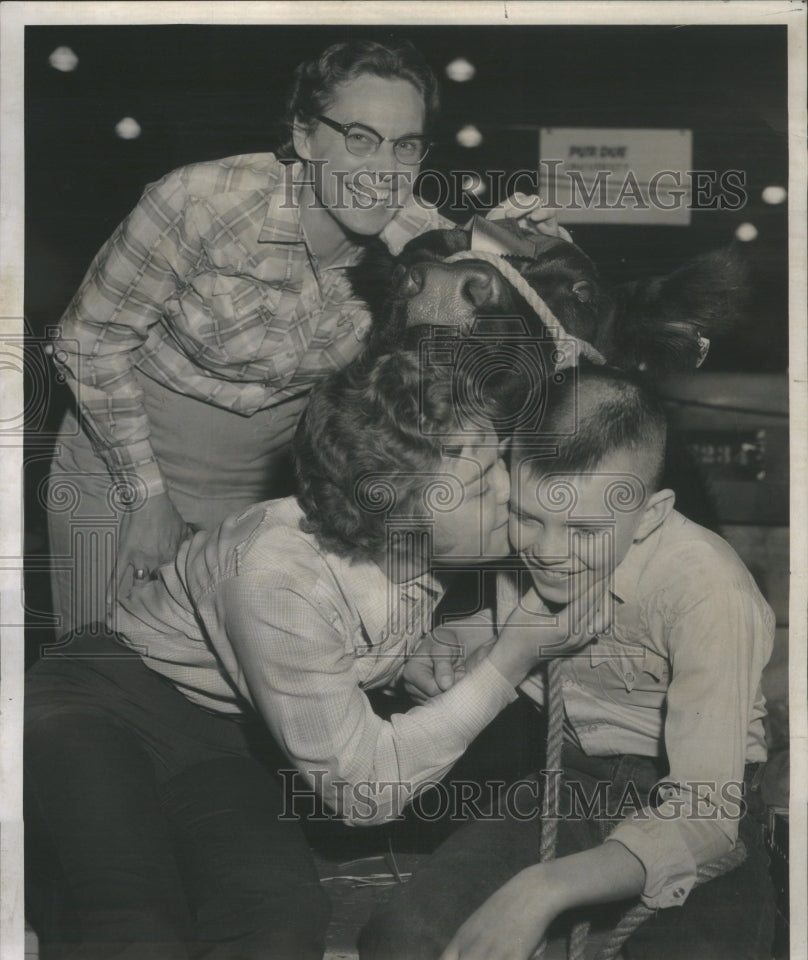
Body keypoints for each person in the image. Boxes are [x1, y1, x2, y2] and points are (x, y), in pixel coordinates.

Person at [24, 350, 606, 960]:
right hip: (97, 705)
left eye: (500, 463)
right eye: (480, 484)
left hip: (224, 737)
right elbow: (363, 792)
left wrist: (405, 658)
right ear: (396, 516)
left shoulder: (414, 538)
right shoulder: (273, 571)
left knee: (279, 932)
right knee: (134, 926)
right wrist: (508, 661)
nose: (511, 494)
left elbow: (350, 627)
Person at [45, 37, 562, 637]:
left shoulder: (423, 245)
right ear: (302, 134)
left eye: (405, 145)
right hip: (120, 463)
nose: (384, 171)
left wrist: (541, 248)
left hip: (263, 486)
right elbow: (88, 342)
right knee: (100, 660)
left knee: (225, 687)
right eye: (359, 137)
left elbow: (538, 321)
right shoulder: (199, 201)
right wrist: (145, 498)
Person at [359, 364, 777, 960]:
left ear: (651, 515)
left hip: (701, 803)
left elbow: (706, 815)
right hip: (569, 787)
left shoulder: (709, 590)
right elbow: (513, 625)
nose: (548, 555)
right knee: (406, 938)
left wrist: (540, 890)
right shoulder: (532, 540)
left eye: (583, 529)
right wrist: (444, 643)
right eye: (528, 517)